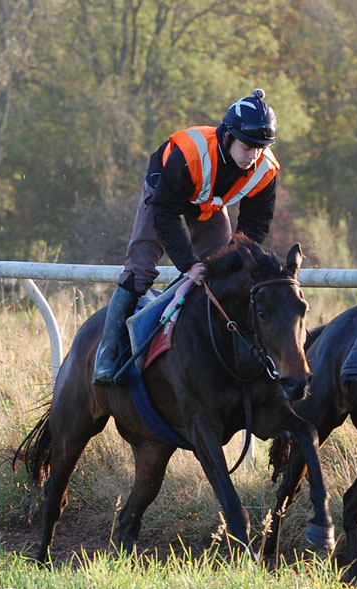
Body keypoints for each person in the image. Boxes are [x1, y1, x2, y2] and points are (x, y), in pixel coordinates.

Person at [92, 88, 281, 385]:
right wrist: (188, 264)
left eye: (261, 148)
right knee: (140, 269)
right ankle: (108, 352)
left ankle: (219, 348)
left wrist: (235, 259)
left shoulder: (266, 168)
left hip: (208, 200)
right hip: (165, 193)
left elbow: (255, 224)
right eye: (247, 147)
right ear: (228, 136)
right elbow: (164, 214)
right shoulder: (189, 155)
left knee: (223, 270)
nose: (254, 156)